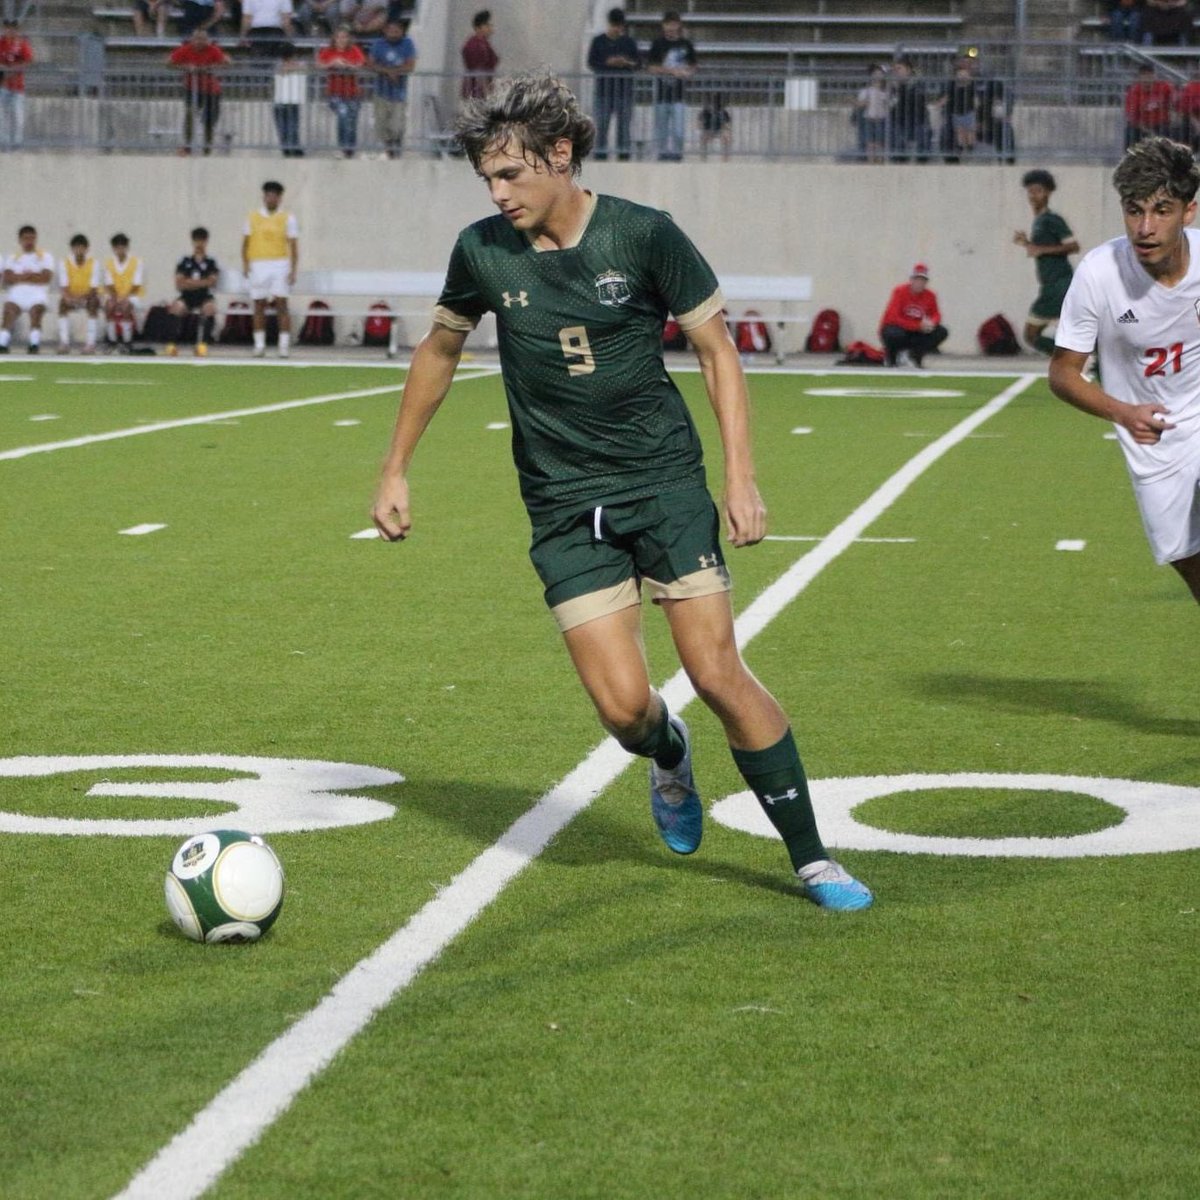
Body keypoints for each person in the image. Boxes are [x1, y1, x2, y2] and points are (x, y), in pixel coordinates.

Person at [371, 72, 873, 912]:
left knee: (715, 671)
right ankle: (669, 757)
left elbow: (718, 351)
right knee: (624, 711)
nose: (498, 195)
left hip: (662, 482)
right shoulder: (482, 251)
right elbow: (440, 349)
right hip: (563, 504)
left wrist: (740, 476)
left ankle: (813, 859)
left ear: (560, 156)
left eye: (510, 175)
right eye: (487, 180)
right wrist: (394, 467)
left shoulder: (644, 235)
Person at [1049, 136, 1200, 603]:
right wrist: (1123, 413)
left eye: (1161, 210)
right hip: (1156, 446)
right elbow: (1063, 373)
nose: (1145, 227)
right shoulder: (1099, 274)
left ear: (1188, 212)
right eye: (1134, 211)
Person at [1013, 169, 1079, 356]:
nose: (1033, 195)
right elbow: (1041, 249)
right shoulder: (1039, 221)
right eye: (1030, 191)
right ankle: (1081, 358)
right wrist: (1027, 243)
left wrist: (1039, 249)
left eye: (1038, 190)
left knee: (1031, 335)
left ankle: (1075, 359)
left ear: (1048, 193)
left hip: (1059, 284)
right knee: (1073, 330)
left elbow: (1073, 246)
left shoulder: (1052, 219)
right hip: (1050, 285)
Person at [242, 179, 298, 357]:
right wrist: (246, 264)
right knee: (259, 304)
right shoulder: (252, 217)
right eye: (268, 195)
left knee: (282, 304)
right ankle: (259, 344)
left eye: (275, 196)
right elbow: (245, 243)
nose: (271, 199)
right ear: (264, 197)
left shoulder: (288, 218)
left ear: (280, 198)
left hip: (280, 263)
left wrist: (293, 270)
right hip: (258, 263)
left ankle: (283, 345)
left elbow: (294, 246)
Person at [587, 7, 641, 162]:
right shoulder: (598, 41)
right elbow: (591, 62)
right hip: (603, 91)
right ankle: (600, 156)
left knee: (624, 127)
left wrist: (625, 62)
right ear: (609, 24)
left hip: (624, 92)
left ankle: (624, 156)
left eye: (619, 26)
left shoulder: (629, 43)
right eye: (614, 25)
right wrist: (608, 63)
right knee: (602, 126)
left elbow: (638, 64)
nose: (617, 29)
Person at [167, 26, 230, 156]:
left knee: (209, 121)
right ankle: (188, 145)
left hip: (211, 90)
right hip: (192, 88)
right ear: (192, 39)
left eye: (203, 39)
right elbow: (169, 63)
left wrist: (211, 67)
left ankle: (207, 148)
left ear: (207, 40)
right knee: (189, 114)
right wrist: (185, 67)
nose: (200, 41)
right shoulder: (185, 49)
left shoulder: (213, 49)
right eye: (197, 38)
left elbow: (227, 62)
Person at [647, 10, 696, 162]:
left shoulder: (686, 44)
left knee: (679, 131)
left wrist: (686, 72)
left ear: (679, 25)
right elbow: (651, 67)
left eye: (674, 24)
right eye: (668, 24)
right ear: (663, 25)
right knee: (661, 130)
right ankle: (662, 156)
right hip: (661, 95)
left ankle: (677, 156)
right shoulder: (657, 44)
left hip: (679, 95)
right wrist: (670, 71)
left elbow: (693, 66)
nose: (671, 27)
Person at [879, 263, 948, 368]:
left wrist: (932, 323)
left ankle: (914, 355)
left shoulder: (930, 295)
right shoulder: (899, 292)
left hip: (917, 331)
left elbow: (936, 314)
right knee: (893, 333)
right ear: (911, 280)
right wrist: (917, 326)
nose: (919, 283)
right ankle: (892, 357)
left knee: (941, 332)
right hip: (900, 329)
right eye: (917, 279)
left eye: (923, 280)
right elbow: (893, 318)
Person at [166, 226, 220, 357]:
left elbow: (212, 282)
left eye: (202, 240)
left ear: (206, 242)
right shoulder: (185, 261)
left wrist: (190, 282)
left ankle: (202, 345)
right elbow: (179, 284)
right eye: (196, 240)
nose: (199, 243)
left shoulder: (211, 262)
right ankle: (172, 344)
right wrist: (201, 282)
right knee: (176, 307)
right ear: (192, 241)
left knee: (210, 308)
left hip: (204, 296)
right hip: (187, 296)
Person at [368, 15, 416, 158]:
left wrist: (396, 71)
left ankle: (396, 147)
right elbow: (370, 63)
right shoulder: (378, 44)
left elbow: (410, 65)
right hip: (381, 92)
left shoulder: (407, 43)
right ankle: (389, 150)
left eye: (397, 31)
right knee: (382, 124)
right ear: (385, 31)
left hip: (399, 92)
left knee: (397, 124)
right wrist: (387, 71)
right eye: (391, 31)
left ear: (402, 31)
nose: (394, 34)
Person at [0, 225, 52, 354]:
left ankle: (34, 343)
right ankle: (3, 343)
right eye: (26, 238)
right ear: (20, 240)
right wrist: (31, 275)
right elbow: (7, 277)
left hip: (37, 293)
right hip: (17, 293)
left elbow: (45, 277)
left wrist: (20, 276)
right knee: (9, 309)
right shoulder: (13, 257)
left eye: (32, 238)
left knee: (36, 310)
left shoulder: (45, 256)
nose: (29, 242)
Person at [317, 24, 366, 157]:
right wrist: (332, 63)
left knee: (352, 120)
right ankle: (343, 146)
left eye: (344, 37)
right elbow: (319, 64)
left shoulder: (354, 49)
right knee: (343, 115)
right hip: (335, 93)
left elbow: (361, 64)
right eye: (339, 37)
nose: (341, 40)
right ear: (334, 38)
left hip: (353, 92)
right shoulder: (328, 50)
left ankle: (350, 149)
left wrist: (348, 65)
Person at [56, 234, 101, 355]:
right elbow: (64, 286)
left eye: (82, 248)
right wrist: (69, 298)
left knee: (94, 303)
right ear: (72, 249)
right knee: (62, 304)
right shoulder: (64, 263)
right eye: (76, 248)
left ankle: (90, 344)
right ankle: (64, 343)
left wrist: (81, 298)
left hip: (87, 297)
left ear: (87, 249)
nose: (79, 251)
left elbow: (94, 288)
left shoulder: (94, 263)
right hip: (71, 297)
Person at [103, 233, 145, 351]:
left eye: (123, 247)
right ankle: (112, 341)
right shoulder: (109, 263)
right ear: (114, 249)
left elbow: (136, 286)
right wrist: (117, 297)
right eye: (117, 247)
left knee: (126, 306)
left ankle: (127, 341)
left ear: (127, 248)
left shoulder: (137, 262)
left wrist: (124, 297)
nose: (120, 250)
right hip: (115, 295)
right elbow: (109, 284)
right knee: (109, 305)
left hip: (132, 296)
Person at [888, 56, 932, 163]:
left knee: (924, 134)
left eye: (899, 68)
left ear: (908, 70)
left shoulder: (918, 83)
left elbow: (916, 100)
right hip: (900, 119)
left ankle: (922, 161)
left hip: (918, 119)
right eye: (895, 69)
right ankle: (899, 159)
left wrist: (900, 90)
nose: (896, 72)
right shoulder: (893, 86)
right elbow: (891, 104)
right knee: (895, 136)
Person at [0, 18, 33, 151]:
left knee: (18, 116)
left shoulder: (21, 44)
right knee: (2, 116)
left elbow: (29, 59)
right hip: (3, 85)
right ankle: (4, 143)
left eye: (13, 28)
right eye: (8, 27)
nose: (10, 30)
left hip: (17, 86)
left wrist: (15, 68)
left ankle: (17, 143)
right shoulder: (1, 43)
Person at [935, 58, 978, 160]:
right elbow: (947, 97)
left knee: (970, 132)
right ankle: (962, 150)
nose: (962, 76)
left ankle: (971, 149)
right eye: (960, 74)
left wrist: (977, 106)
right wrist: (939, 103)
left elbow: (975, 98)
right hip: (957, 113)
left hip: (969, 112)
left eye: (965, 74)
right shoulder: (953, 86)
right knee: (960, 133)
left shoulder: (971, 85)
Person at [1124, 64, 1175, 149]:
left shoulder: (1164, 87)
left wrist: (1173, 116)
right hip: (1142, 126)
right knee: (1131, 131)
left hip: (1162, 124)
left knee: (1174, 131)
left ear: (1154, 76)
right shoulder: (1134, 92)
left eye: (1150, 76)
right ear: (1139, 77)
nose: (1147, 79)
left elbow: (1175, 104)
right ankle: (1130, 158)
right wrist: (1148, 131)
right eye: (1144, 76)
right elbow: (1132, 117)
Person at [272, 41, 306, 157]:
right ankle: (287, 148)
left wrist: (292, 67)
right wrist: (292, 67)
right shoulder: (278, 64)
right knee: (284, 126)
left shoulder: (300, 64)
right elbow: (282, 71)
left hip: (292, 100)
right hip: (281, 100)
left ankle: (293, 147)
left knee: (292, 126)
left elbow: (303, 68)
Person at [854, 64, 890, 163]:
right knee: (870, 142)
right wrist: (860, 103)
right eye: (875, 74)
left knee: (880, 142)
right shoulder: (866, 91)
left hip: (881, 118)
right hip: (869, 118)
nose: (877, 76)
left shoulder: (886, 91)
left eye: (880, 74)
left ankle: (880, 160)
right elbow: (860, 104)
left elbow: (889, 103)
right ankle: (871, 161)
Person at [461, 9, 498, 101]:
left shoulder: (484, 44)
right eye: (487, 25)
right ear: (478, 28)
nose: (490, 29)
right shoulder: (475, 45)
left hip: (483, 88)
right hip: (477, 91)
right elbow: (479, 71)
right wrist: (487, 93)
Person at [698, 91, 732, 162]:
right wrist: (704, 129)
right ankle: (703, 158)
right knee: (703, 137)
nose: (713, 104)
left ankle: (725, 158)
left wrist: (725, 129)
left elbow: (728, 125)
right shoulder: (705, 111)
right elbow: (699, 123)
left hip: (719, 130)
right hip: (708, 130)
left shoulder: (723, 111)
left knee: (726, 137)